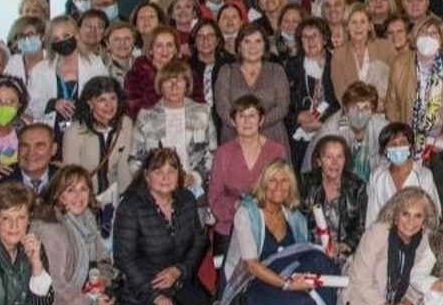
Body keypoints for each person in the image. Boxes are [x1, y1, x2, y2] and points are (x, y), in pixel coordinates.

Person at [216, 161, 339, 305]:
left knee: (319, 260)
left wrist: (328, 250)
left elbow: (301, 256)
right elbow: (251, 266)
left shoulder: (295, 218)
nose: (278, 187)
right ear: (263, 183)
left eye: (284, 181)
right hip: (250, 287)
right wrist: (287, 285)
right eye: (272, 180)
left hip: (284, 282)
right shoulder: (246, 214)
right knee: (301, 303)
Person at [30, 165, 120, 305]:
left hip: (84, 287)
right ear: (57, 195)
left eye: (83, 189)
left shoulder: (86, 217)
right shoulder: (51, 229)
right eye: (70, 190)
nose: (78, 197)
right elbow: (55, 286)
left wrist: (101, 286)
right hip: (53, 302)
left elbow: (102, 258)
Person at [112, 148, 211, 305]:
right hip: (144, 288)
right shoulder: (130, 207)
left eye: (171, 171)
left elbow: (199, 240)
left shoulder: (187, 199)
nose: (165, 178)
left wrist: (180, 270)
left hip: (181, 281)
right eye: (158, 171)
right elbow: (123, 259)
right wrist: (154, 296)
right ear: (146, 176)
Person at [338, 187, 436, 305]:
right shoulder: (378, 232)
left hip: (398, 304)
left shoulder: (425, 240)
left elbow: (419, 280)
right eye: (405, 214)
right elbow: (361, 280)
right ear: (395, 214)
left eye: (418, 216)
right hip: (367, 300)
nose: (411, 222)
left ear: (425, 219)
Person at [207, 96, 291, 254]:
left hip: (267, 225)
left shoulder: (276, 151)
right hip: (229, 225)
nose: (246, 121)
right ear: (233, 122)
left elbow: (284, 191)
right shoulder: (222, 153)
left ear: (261, 120)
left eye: (252, 115)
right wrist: (238, 206)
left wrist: (258, 210)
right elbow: (214, 196)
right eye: (241, 116)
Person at [384, 17, 443, 154]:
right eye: (423, 33)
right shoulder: (400, 64)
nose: (428, 38)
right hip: (409, 140)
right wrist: (402, 135)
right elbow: (391, 105)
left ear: (441, 39)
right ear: (415, 37)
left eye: (433, 33)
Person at [130, 60, 215, 193]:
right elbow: (134, 159)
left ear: (187, 85)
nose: (174, 87)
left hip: (194, 190)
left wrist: (196, 177)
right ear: (160, 86)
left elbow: (212, 152)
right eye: (168, 82)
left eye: (179, 81)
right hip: (155, 191)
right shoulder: (145, 116)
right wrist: (150, 181)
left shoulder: (202, 112)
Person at [61, 75, 134, 207]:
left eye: (113, 98)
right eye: (102, 100)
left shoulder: (126, 124)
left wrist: (127, 199)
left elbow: (124, 167)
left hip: (115, 198)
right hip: (83, 200)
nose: (109, 105)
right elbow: (72, 176)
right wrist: (88, 201)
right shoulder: (74, 132)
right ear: (90, 103)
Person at [299, 135, 369, 266]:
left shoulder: (357, 186)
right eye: (329, 157)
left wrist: (344, 245)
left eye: (339, 157)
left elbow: (361, 227)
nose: (335, 163)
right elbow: (296, 223)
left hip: (346, 255)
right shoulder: (304, 183)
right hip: (310, 252)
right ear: (319, 160)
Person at [25, 15, 105, 131]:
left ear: (77, 36)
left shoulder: (95, 64)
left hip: (86, 131)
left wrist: (85, 105)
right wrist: (52, 104)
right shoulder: (40, 69)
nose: (62, 41)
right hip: (52, 131)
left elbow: (105, 96)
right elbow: (30, 104)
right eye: (56, 39)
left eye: (66, 36)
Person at [214, 26, 289, 148]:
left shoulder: (277, 71)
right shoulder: (226, 71)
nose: (252, 47)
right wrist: (242, 125)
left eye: (258, 41)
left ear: (265, 46)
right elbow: (222, 106)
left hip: (271, 138)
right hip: (234, 138)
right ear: (239, 47)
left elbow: (282, 106)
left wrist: (256, 123)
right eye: (247, 41)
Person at [284, 17, 339, 163]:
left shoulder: (337, 62)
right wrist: (297, 117)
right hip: (299, 133)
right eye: (305, 37)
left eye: (315, 35)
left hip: (331, 130)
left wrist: (324, 123)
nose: (310, 41)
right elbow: (283, 103)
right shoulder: (291, 66)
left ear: (325, 38)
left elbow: (342, 101)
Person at [363, 122, 440, 227]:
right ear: (385, 150)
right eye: (393, 144)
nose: (398, 148)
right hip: (383, 238)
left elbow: (433, 219)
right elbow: (372, 219)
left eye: (403, 143)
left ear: (410, 146)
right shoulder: (377, 176)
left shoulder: (423, 176)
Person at [329, 3, 395, 103]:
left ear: (369, 26)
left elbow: (397, 81)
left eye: (363, 22)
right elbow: (340, 93)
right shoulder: (339, 55)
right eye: (354, 22)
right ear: (347, 27)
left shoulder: (386, 47)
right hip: (352, 111)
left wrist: (384, 105)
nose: (358, 27)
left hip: (383, 109)